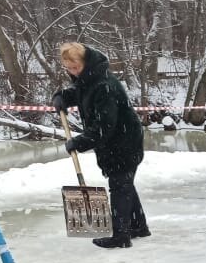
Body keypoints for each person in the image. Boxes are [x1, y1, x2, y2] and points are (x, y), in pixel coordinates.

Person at [52, 42, 149, 248]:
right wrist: (61, 97)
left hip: (124, 142)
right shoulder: (88, 80)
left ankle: (121, 236)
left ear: (85, 62)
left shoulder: (105, 86)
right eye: (69, 69)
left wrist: (79, 142)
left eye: (76, 67)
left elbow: (105, 125)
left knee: (119, 185)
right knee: (124, 183)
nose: (73, 73)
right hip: (114, 142)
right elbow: (80, 93)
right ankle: (138, 226)